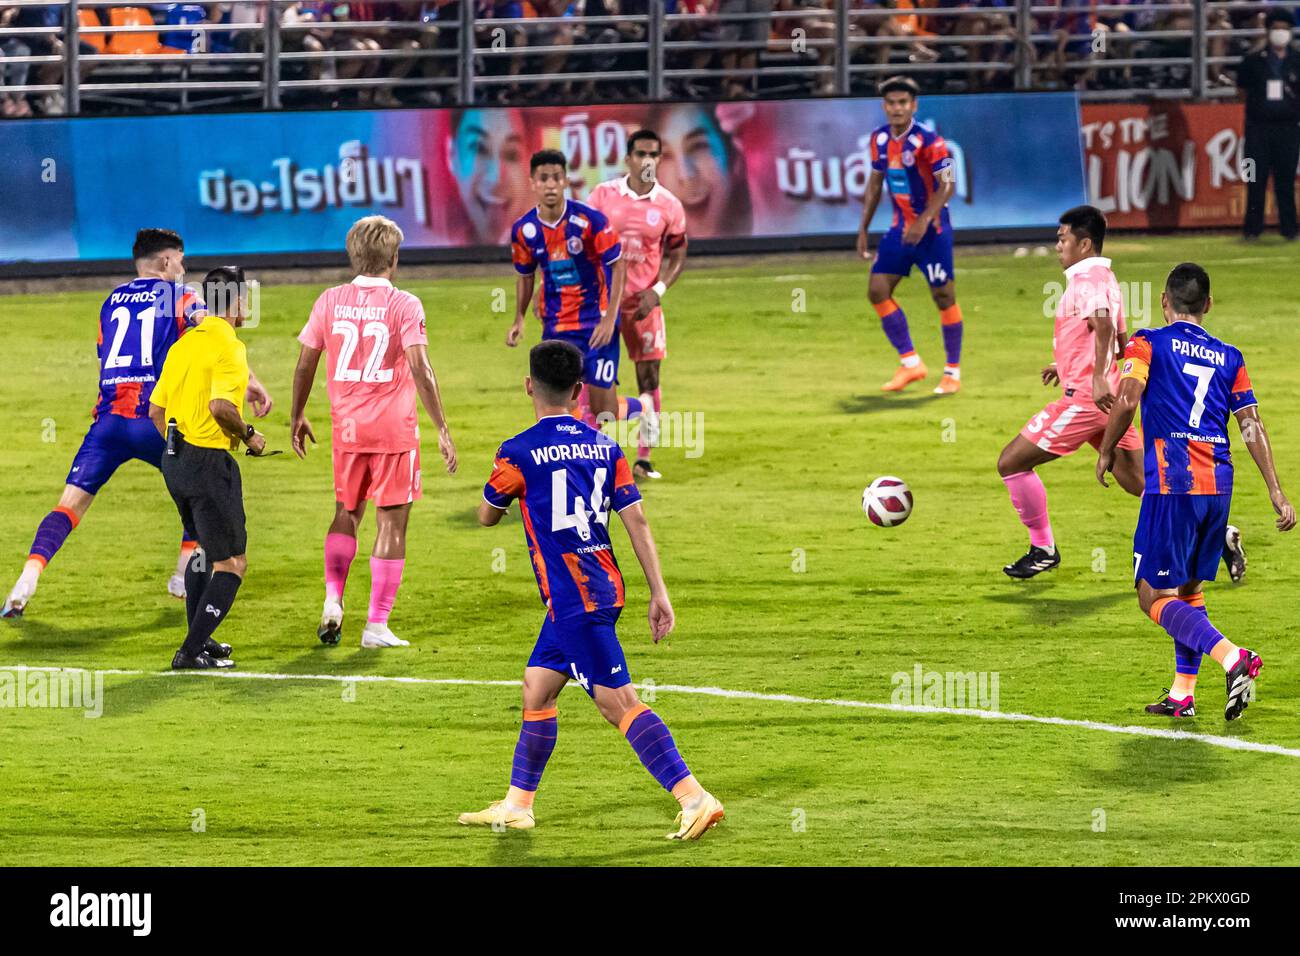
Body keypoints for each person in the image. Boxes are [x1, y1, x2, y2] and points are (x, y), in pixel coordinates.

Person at [459, 339, 724, 839]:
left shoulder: (516, 452)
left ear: (528, 386)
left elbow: (487, 517)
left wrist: (505, 490)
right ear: (580, 391)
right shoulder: (606, 448)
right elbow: (637, 521)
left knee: (617, 703)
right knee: (537, 687)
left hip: (574, 601)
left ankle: (694, 796)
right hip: (602, 586)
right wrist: (659, 592)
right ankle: (518, 804)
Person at [2, 229, 272, 619]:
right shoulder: (182, 296)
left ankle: (26, 580)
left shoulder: (110, 302)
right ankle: (182, 578)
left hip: (108, 423)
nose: (183, 267)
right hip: (153, 420)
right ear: (166, 261)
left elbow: (106, 357)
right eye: (180, 260)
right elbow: (213, 333)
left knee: (69, 506)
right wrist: (251, 381)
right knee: (199, 487)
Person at [1096, 263, 1296, 720]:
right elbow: (1250, 423)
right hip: (1218, 486)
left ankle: (1232, 657)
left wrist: (1107, 449)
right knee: (1188, 587)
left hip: (1172, 482)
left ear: (1165, 302)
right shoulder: (1230, 355)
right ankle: (1183, 693)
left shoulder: (1148, 341)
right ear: (1207, 305)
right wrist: (1277, 492)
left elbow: (1127, 398)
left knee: (1151, 595)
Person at [290, 216, 458, 649]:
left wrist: (297, 414)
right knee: (391, 523)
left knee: (347, 513)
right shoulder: (405, 304)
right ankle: (376, 626)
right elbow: (420, 368)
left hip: (347, 431)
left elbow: (306, 361)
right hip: (393, 432)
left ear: (354, 256)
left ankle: (332, 600)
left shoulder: (329, 301)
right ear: (394, 258)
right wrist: (441, 427)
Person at [996, 205, 1144, 578]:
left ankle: (1043, 548)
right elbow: (1121, 340)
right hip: (1109, 401)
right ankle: (1217, 535)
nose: (1057, 246)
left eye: (1063, 239)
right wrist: (1065, 365)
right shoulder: (1106, 276)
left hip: (1086, 401)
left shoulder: (1087, 280)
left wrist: (1093, 378)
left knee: (1011, 462)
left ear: (1085, 243)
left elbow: (1105, 324)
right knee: (1141, 484)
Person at [149, 266, 268, 670]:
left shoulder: (184, 344)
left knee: (203, 549)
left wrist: (176, 447)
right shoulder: (229, 346)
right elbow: (221, 408)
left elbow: (155, 410)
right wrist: (250, 434)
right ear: (236, 304)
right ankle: (190, 651)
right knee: (232, 562)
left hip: (173, 460)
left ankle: (200, 637)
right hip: (206, 460)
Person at [506, 149, 648, 432]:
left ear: (565, 181)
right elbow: (525, 275)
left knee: (604, 411)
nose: (550, 184)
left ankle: (644, 406)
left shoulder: (590, 222)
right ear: (532, 182)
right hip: (556, 328)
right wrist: (519, 318)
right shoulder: (524, 230)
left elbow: (618, 266)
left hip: (597, 325)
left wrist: (610, 319)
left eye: (556, 178)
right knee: (558, 406)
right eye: (543, 178)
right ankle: (575, 465)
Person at [587, 129, 688, 480]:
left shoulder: (669, 206)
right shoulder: (602, 196)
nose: (647, 161)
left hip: (644, 304)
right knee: (596, 381)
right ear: (628, 158)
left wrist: (658, 289)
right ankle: (593, 455)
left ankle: (645, 457)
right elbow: (583, 243)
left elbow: (678, 251)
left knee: (648, 377)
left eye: (654, 155)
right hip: (602, 307)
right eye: (641, 153)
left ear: (660, 159)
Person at [858, 75, 965, 395]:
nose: (896, 108)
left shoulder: (933, 142)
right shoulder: (878, 140)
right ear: (884, 106)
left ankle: (952, 372)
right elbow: (876, 184)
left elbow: (948, 185)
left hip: (932, 232)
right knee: (877, 290)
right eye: (891, 103)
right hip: (898, 230)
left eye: (903, 102)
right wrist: (863, 227)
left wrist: (923, 220)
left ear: (914, 106)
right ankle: (911, 363)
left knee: (943, 297)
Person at [1236, 11, 1300, 241]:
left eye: (1284, 28)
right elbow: (1241, 91)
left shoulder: (1297, 59)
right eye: (1276, 27)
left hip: (1288, 129)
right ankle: (1252, 230)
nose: (1280, 32)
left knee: (1286, 182)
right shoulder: (1253, 59)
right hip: (1257, 129)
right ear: (1268, 30)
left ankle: (1290, 230)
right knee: (1255, 180)